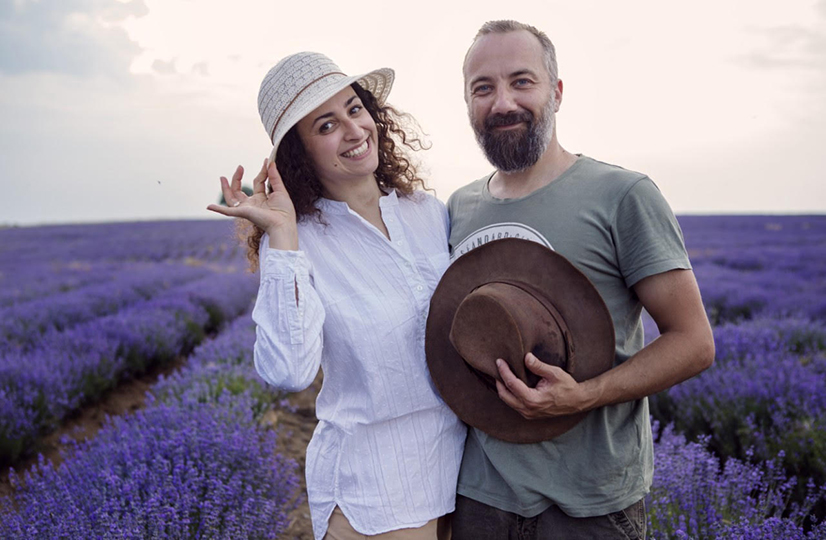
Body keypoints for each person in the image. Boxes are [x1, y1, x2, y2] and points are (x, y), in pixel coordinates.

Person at [446, 20, 716, 539]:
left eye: (522, 81)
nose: (502, 102)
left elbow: (694, 342)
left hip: (589, 506)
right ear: (468, 104)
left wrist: (584, 395)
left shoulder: (623, 195)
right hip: (478, 497)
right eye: (483, 88)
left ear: (557, 92)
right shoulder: (460, 207)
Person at [207, 52, 465, 540]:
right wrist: (282, 236)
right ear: (299, 155)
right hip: (375, 490)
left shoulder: (428, 214)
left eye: (354, 108)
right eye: (326, 125)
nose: (353, 130)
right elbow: (288, 371)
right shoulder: (304, 241)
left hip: (460, 475)